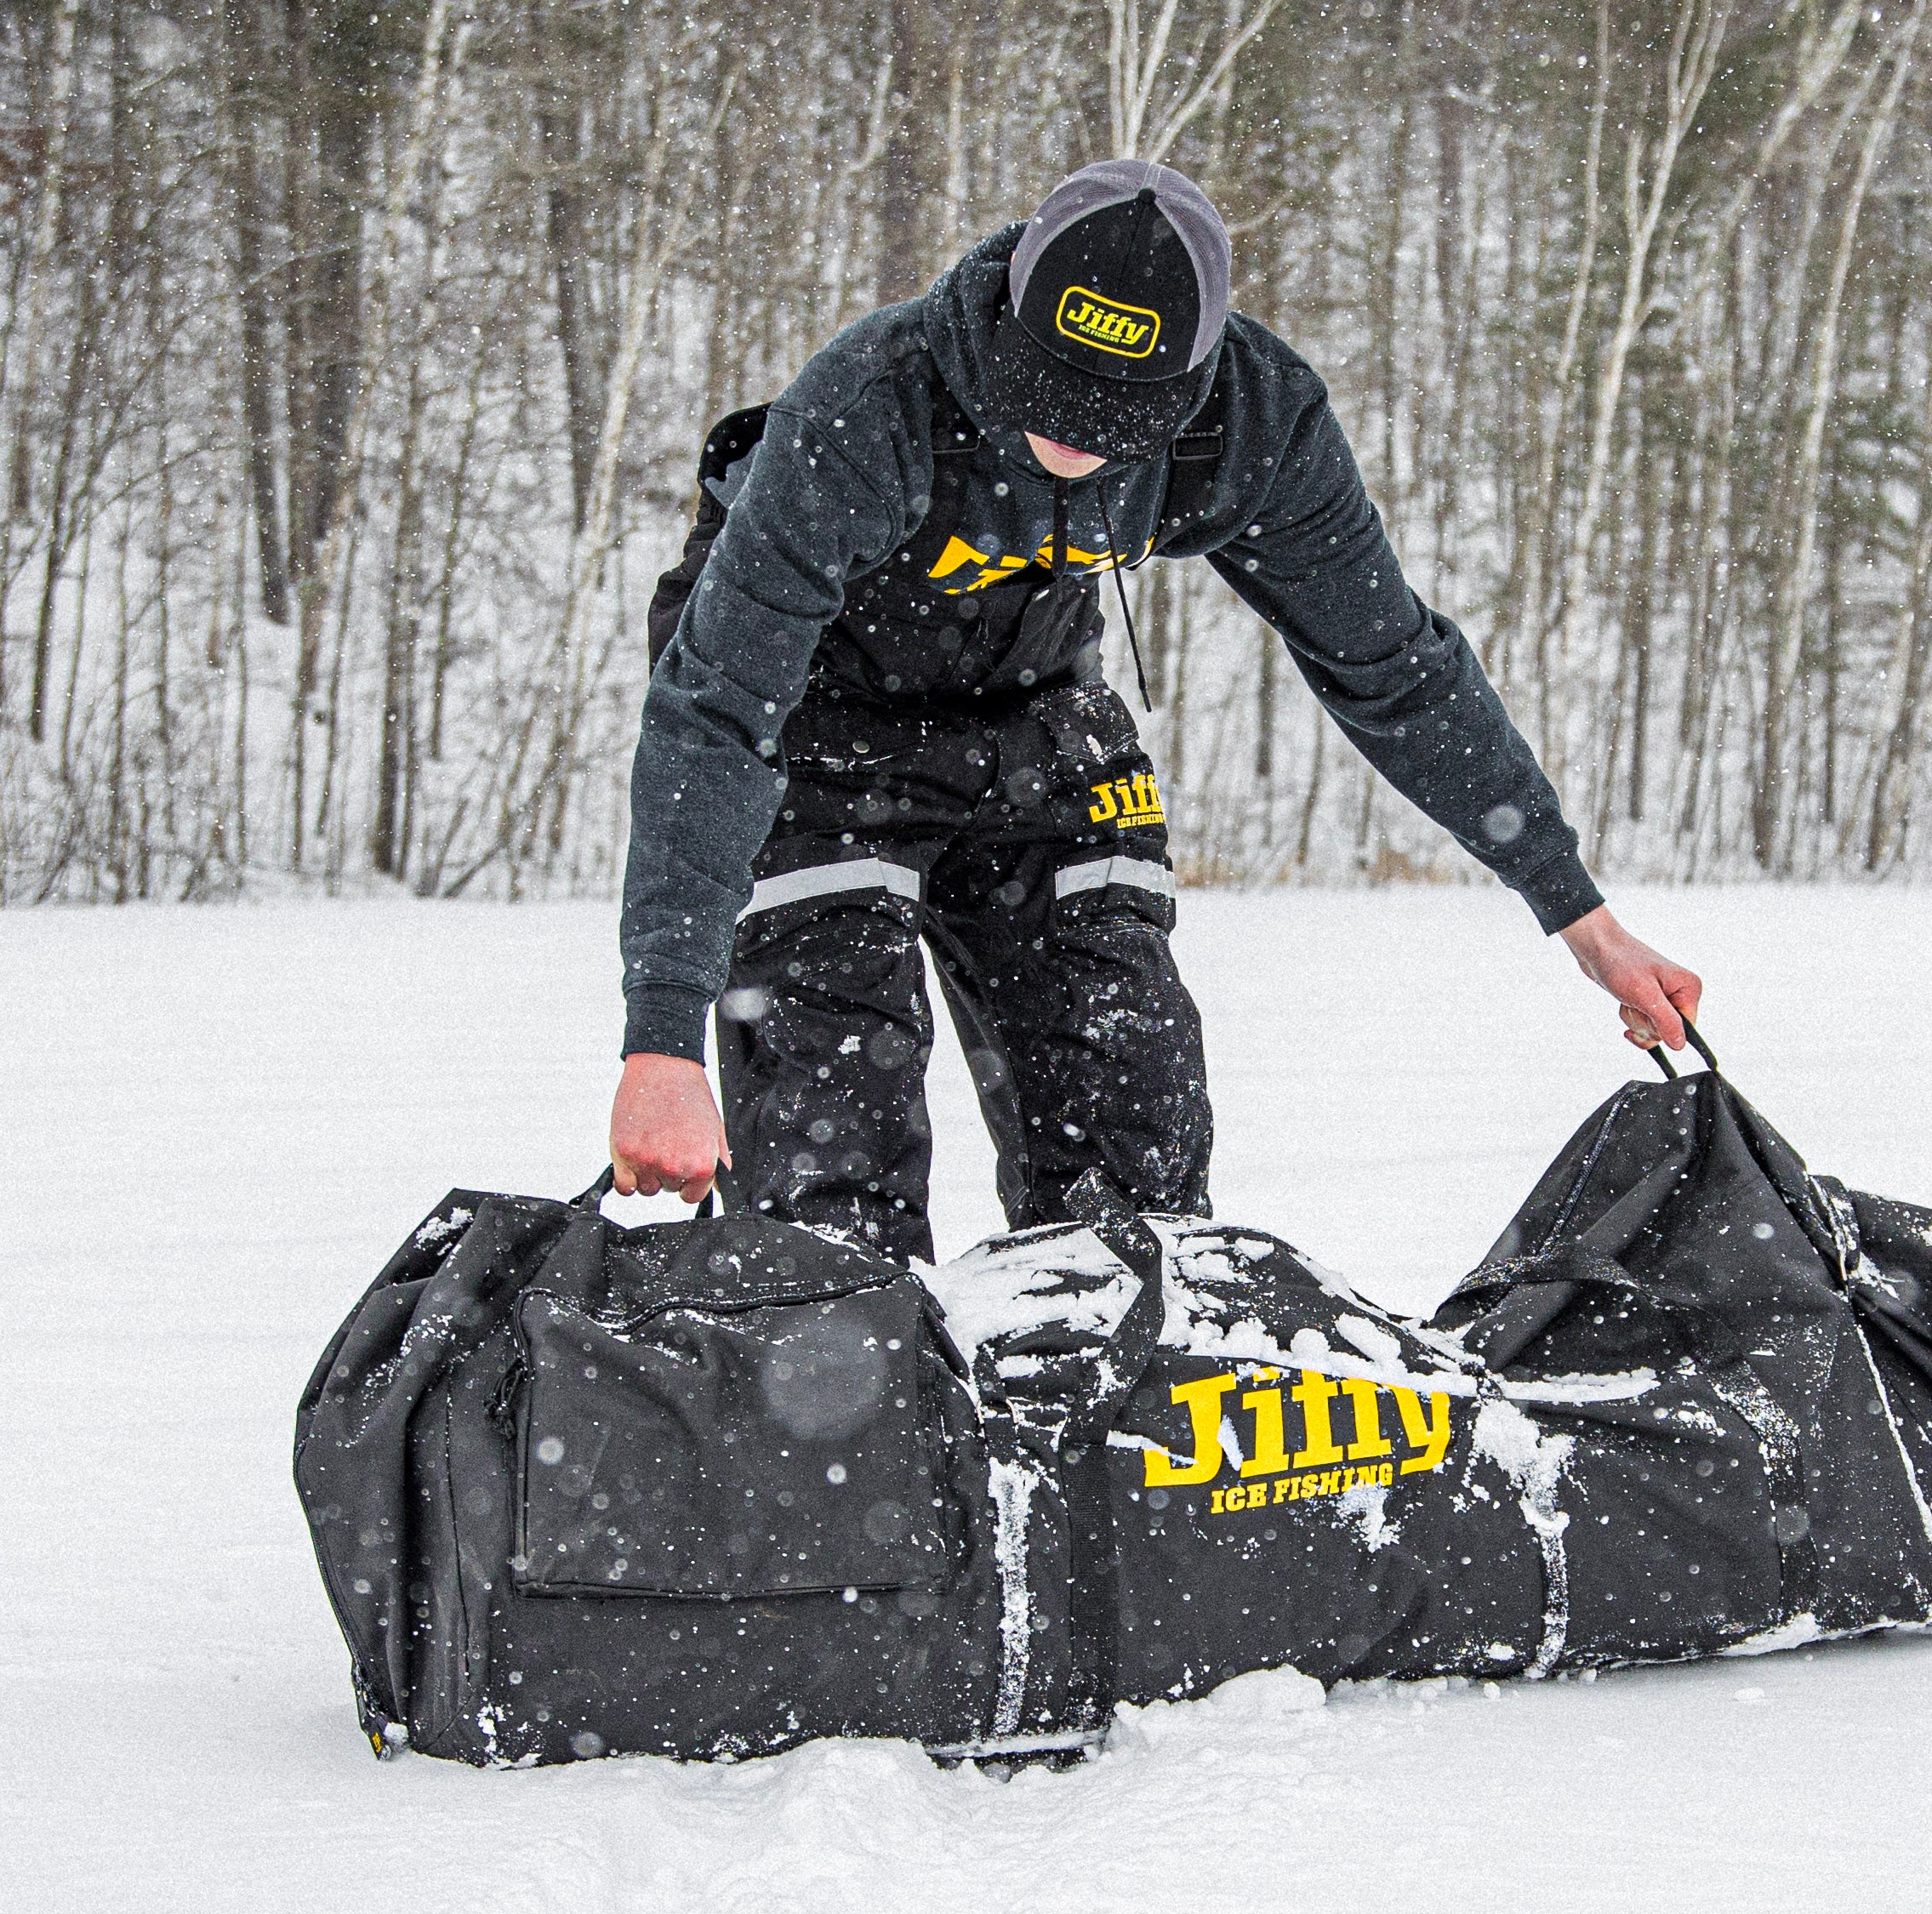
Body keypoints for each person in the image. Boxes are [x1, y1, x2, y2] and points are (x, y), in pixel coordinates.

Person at [611, 160, 1701, 1251]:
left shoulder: (1255, 424)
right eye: (1051, 394)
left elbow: (1395, 670)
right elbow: (716, 711)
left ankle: (1092, 1384)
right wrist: (662, 1041)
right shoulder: (867, 409)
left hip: (1036, 707)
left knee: (1133, 1163)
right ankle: (844, 1366)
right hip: (814, 719)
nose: (1075, 438)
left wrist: (1581, 916)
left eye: (1116, 415)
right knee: (833, 1173)